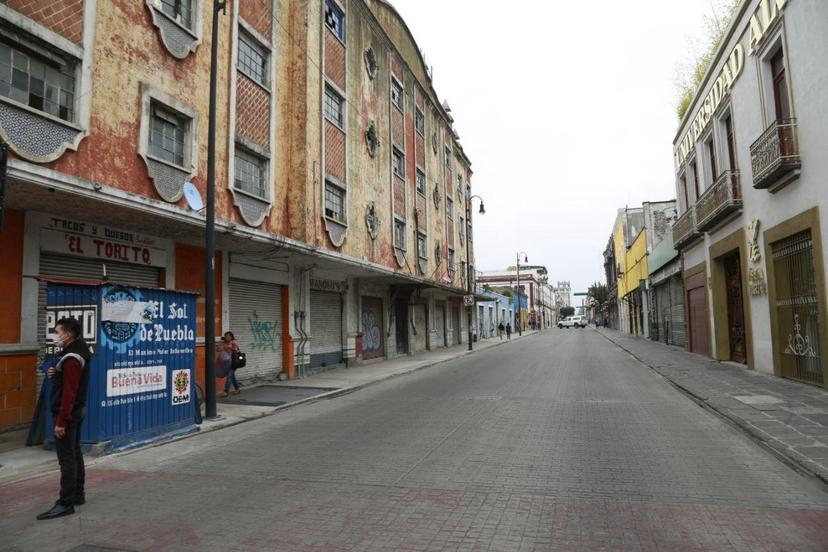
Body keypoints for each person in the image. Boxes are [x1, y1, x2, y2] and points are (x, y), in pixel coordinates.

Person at [38, 317, 92, 520]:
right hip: (76, 411)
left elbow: (69, 392)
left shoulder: (71, 358)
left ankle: (66, 502)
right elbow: (69, 378)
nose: (55, 335)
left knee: (66, 459)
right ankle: (78, 495)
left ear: (69, 334)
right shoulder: (77, 352)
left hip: (68, 413)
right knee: (74, 452)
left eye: (57, 331)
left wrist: (61, 421)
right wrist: (56, 371)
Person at [217, 331, 241, 397]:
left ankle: (225, 391)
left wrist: (230, 347)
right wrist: (222, 345)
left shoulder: (233, 342)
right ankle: (237, 389)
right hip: (225, 363)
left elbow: (236, 350)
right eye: (225, 336)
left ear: (231, 337)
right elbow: (218, 350)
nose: (226, 337)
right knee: (232, 376)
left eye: (228, 336)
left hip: (233, 362)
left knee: (229, 376)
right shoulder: (222, 342)